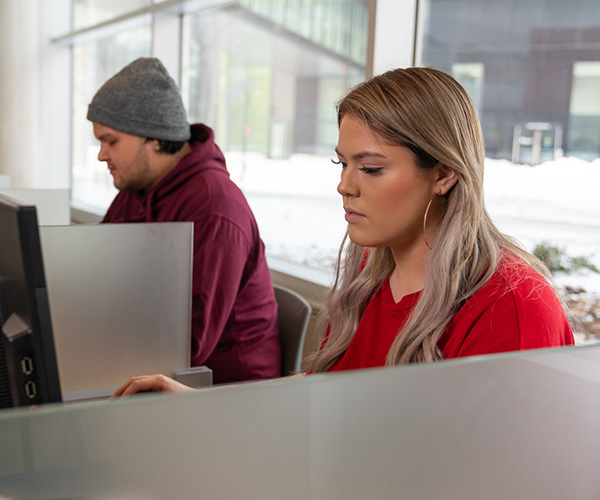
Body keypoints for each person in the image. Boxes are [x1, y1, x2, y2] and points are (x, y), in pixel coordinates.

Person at [112, 66, 574, 396]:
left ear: (444, 174)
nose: (344, 186)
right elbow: (331, 392)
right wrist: (204, 408)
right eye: (342, 162)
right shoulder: (372, 269)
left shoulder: (511, 304)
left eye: (370, 169)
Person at [87, 57, 281, 384]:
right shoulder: (136, 191)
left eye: (111, 141)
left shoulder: (214, 208)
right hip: (151, 363)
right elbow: (98, 275)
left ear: (153, 137)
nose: (101, 154)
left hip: (225, 393)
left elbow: (185, 343)